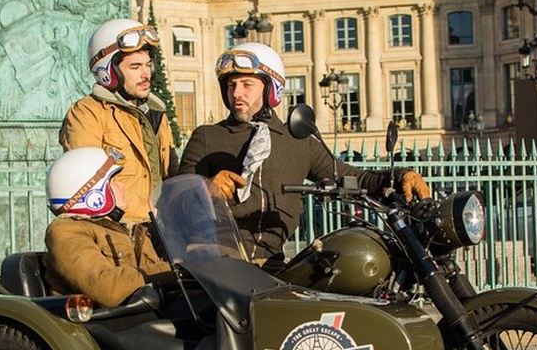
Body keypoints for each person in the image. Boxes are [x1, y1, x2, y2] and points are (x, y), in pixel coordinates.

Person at [178, 42, 430, 272]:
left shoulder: (298, 141)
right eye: (231, 85)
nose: (236, 93)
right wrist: (206, 189)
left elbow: (352, 177)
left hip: (272, 264)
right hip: (215, 264)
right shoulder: (207, 137)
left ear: (271, 89)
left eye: (247, 85)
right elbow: (176, 203)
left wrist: (401, 176)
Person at [44, 18, 178, 306]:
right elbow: (87, 174)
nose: (146, 74)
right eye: (135, 67)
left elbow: (172, 174)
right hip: (115, 231)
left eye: (147, 64)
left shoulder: (156, 114)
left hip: (157, 234)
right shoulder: (89, 113)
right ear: (109, 72)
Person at [44, 147, 170, 308]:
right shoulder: (66, 231)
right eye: (113, 182)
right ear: (92, 193)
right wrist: (172, 271)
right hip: (104, 325)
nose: (122, 187)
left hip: (145, 316)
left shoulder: (133, 229)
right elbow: (105, 289)